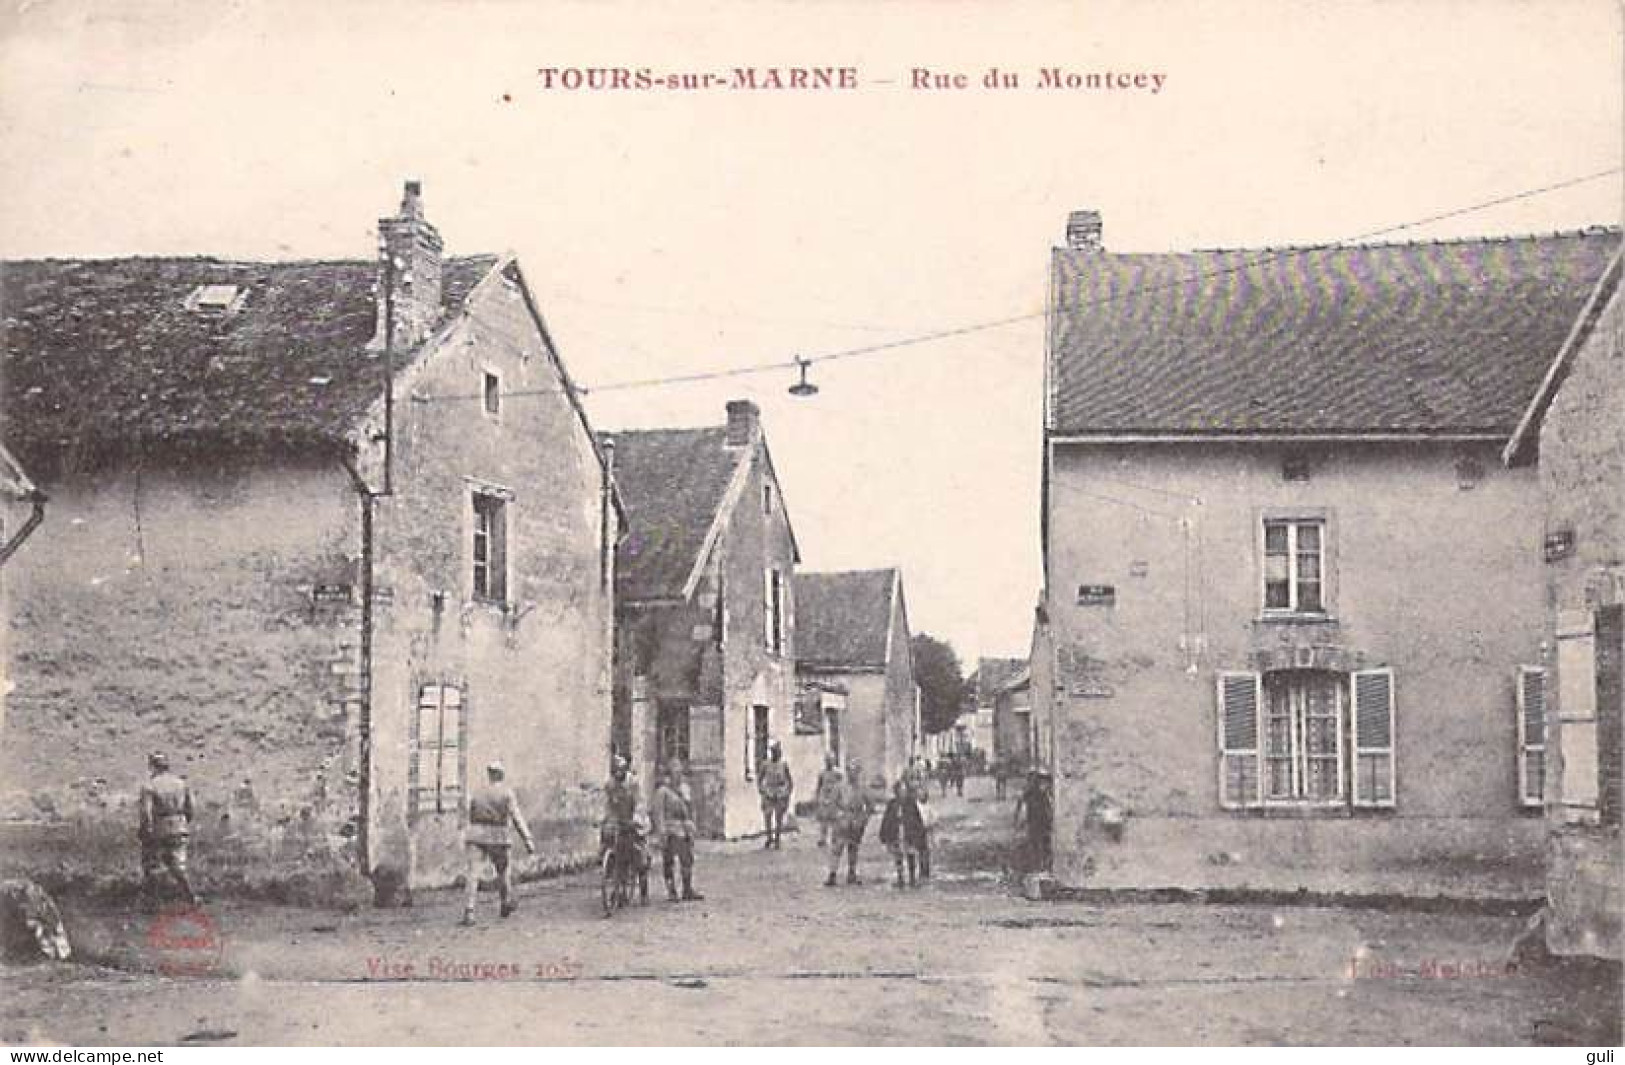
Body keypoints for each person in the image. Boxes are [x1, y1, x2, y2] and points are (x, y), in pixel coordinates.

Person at [463, 762, 536, 925]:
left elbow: (470, 813)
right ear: (501, 775)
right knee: (503, 872)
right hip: (499, 836)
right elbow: (516, 817)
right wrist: (527, 839)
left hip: (476, 835)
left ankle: (470, 911)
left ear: (489, 774)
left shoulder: (477, 792)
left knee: (473, 874)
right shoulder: (506, 793)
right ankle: (504, 903)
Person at [138, 752, 196, 908]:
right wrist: (183, 822)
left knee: (153, 864)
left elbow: (146, 812)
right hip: (180, 825)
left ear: (152, 766)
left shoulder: (149, 786)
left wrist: (146, 829)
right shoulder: (181, 784)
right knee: (179, 865)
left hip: (160, 827)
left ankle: (154, 901)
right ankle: (190, 895)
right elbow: (190, 808)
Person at [651, 762, 704, 902]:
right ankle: (671, 890)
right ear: (669, 775)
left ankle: (687, 889)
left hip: (685, 829)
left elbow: (691, 808)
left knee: (687, 860)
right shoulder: (662, 791)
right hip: (670, 829)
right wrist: (661, 832)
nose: (678, 776)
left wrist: (692, 824)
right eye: (675, 772)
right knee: (669, 861)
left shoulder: (684, 789)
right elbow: (658, 813)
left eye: (680, 772)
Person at [824, 758, 874, 886]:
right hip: (841, 821)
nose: (853, 774)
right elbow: (832, 804)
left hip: (856, 820)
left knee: (853, 848)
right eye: (851, 771)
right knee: (837, 848)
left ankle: (852, 873)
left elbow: (870, 806)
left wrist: (863, 819)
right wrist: (837, 816)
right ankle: (832, 874)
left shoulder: (862, 787)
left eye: (856, 771)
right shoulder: (839, 786)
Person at [878, 780, 927, 889]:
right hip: (896, 832)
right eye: (900, 790)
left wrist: (920, 833)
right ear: (896, 791)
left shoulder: (911, 803)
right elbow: (886, 819)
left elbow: (917, 819)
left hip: (909, 833)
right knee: (898, 855)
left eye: (904, 790)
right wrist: (883, 834)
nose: (902, 792)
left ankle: (912, 878)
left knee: (911, 855)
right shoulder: (892, 804)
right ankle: (900, 878)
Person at [1013, 769, 1054, 872]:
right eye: (1042, 781)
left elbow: (1049, 806)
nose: (1045, 785)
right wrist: (1018, 817)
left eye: (1046, 782)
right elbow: (1020, 801)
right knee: (1035, 842)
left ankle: (1043, 864)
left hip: (1043, 820)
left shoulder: (1045, 793)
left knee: (1044, 842)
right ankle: (1037, 864)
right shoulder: (1030, 791)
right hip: (1034, 820)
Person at [756, 740, 793, 849]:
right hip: (769, 792)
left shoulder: (783, 765)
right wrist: (763, 790)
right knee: (767, 816)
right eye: (774, 752)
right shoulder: (765, 764)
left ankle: (777, 839)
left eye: (777, 752)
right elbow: (759, 780)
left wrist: (786, 792)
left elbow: (789, 781)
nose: (776, 754)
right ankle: (769, 837)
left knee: (779, 817)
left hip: (780, 793)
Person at [813, 753, 845, 848]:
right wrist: (817, 797)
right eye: (827, 760)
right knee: (823, 819)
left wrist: (841, 798)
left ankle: (834, 838)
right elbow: (819, 786)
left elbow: (841, 785)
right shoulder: (822, 773)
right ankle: (823, 838)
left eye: (830, 760)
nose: (829, 762)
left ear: (834, 761)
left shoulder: (838, 773)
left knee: (834, 819)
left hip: (834, 796)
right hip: (824, 796)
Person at [916, 784, 936, 880]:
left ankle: (926, 870)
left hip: (927, 830)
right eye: (919, 794)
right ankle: (921, 869)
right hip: (918, 830)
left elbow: (934, 817)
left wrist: (930, 824)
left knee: (927, 850)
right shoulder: (915, 806)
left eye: (923, 794)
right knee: (920, 850)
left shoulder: (929, 806)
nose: (921, 796)